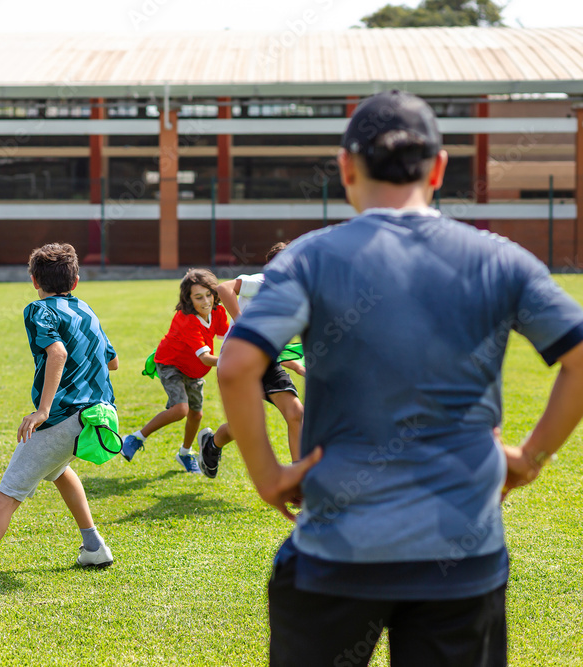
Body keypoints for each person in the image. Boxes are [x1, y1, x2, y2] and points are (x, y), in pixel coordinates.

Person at [217, 90, 583, 666]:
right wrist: (531, 458)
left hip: (334, 555)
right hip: (462, 559)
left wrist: (267, 476)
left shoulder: (310, 258)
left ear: (346, 167)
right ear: (438, 168)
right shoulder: (499, 258)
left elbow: (237, 364)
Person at [0, 243, 118, 593]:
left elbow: (58, 352)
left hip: (65, 417)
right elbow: (112, 361)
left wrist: (42, 411)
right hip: (100, 416)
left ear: (34, 280)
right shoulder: (86, 309)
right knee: (59, 470)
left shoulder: (39, 309)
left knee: (7, 494)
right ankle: (94, 547)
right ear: (76, 281)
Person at [196, 243, 306, 478]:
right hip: (237, 360)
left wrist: (295, 365)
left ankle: (298, 481)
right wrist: (242, 322)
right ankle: (212, 444)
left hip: (265, 363)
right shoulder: (264, 282)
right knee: (244, 427)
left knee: (296, 413)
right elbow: (224, 288)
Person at [121, 269, 229, 473]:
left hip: (194, 369)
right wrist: (233, 361)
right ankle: (135, 438)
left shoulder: (218, 311)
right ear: (188, 299)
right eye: (198, 297)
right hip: (170, 363)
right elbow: (205, 357)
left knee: (196, 415)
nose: (206, 301)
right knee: (180, 410)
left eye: (209, 295)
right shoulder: (187, 319)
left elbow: (228, 336)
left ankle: (185, 454)